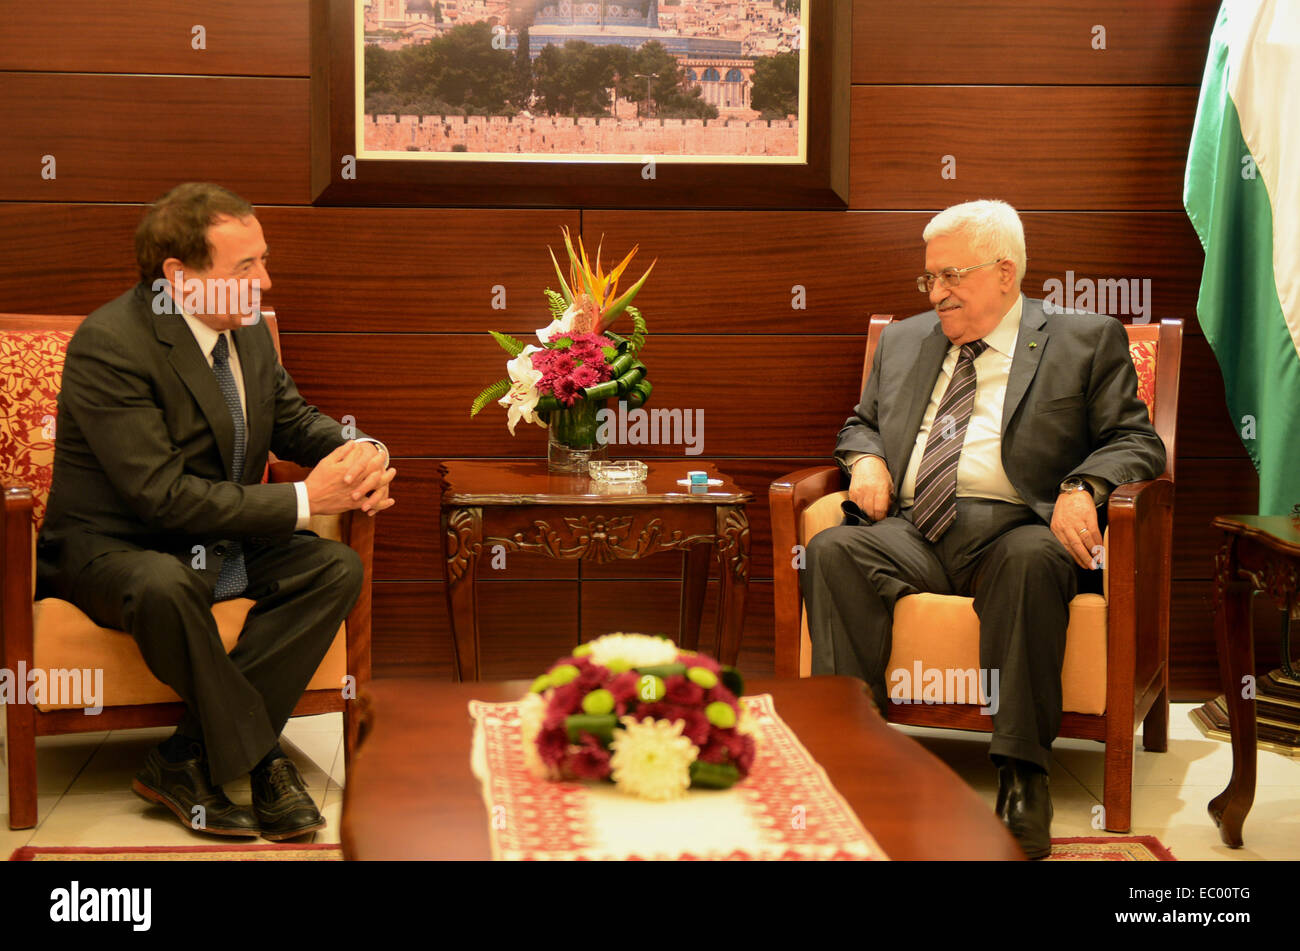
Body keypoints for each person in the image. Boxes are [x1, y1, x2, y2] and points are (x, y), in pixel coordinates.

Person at [802, 200, 1165, 858]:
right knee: (834, 548)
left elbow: (1136, 442)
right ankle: (855, 756)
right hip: (916, 527)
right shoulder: (908, 339)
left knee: (1030, 561)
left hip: (1019, 525)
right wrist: (867, 458)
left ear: (1005, 271)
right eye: (928, 279)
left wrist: (1084, 486)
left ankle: (1023, 777)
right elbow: (860, 421)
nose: (936, 293)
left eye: (950, 276)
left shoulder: (1084, 339)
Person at [36, 183, 397, 840]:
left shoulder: (246, 331)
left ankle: (184, 756)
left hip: (222, 540)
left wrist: (362, 453)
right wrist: (308, 499)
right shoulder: (110, 343)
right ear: (179, 275)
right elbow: (163, 498)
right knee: (167, 582)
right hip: (117, 548)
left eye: (262, 260)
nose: (265, 281)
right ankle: (264, 759)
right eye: (245, 267)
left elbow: (294, 421)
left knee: (333, 567)